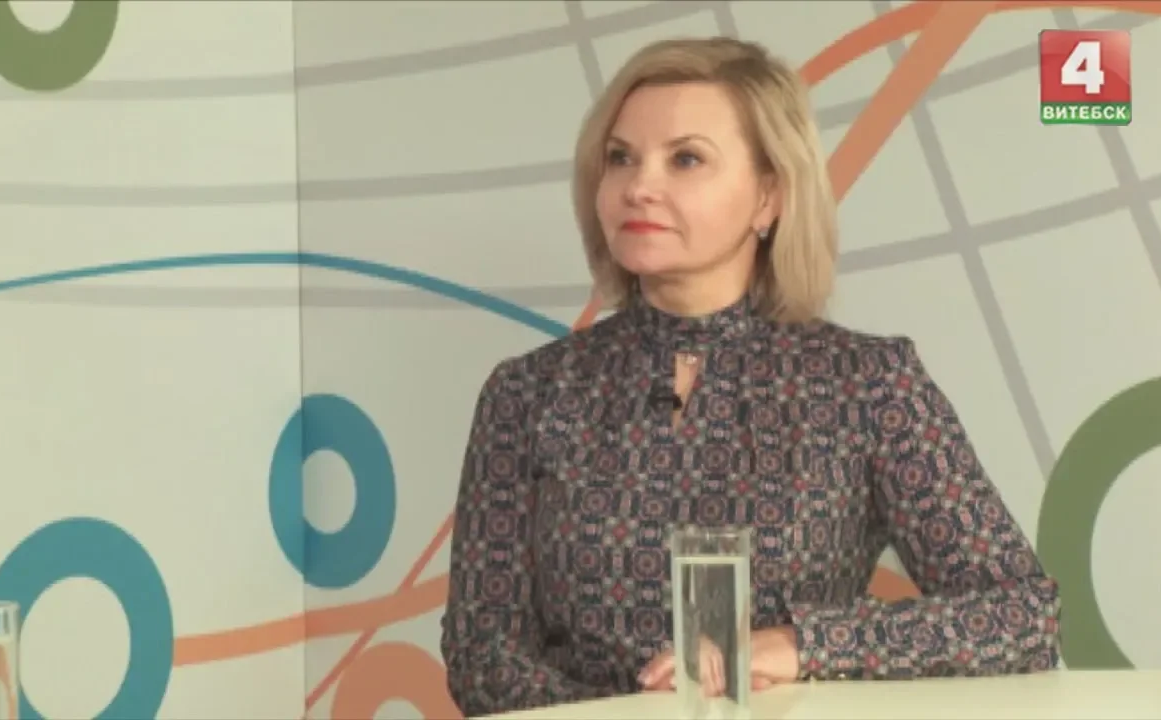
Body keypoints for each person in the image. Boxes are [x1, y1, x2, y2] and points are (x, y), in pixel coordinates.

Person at [439, 36, 1062, 718]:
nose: (639, 185)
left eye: (686, 158)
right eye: (620, 157)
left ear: (769, 195)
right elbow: (481, 653)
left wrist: (802, 645)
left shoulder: (868, 384)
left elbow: (1021, 618)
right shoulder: (528, 394)